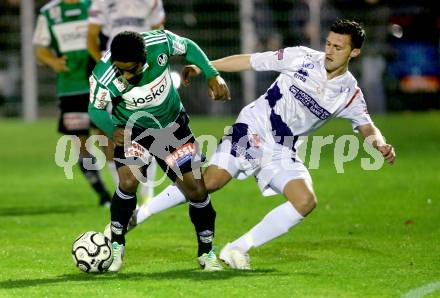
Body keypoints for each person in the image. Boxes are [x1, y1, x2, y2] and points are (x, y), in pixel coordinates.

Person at [129, 19, 397, 269]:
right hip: (253, 128)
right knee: (210, 183)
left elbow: (366, 126)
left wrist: (380, 144)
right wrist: (205, 67)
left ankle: (236, 248)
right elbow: (249, 61)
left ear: (354, 53)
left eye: (338, 47)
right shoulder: (301, 57)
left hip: (282, 149)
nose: (329, 51)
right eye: (328, 43)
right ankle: (139, 215)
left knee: (305, 201)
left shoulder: (349, 93)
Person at [89, 30, 230, 272]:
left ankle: (206, 252)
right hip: (133, 130)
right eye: (119, 68)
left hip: (171, 128)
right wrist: (112, 129)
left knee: (196, 189)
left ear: (144, 58)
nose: (124, 74)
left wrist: (211, 74)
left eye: (130, 69)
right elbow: (96, 109)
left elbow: (188, 47)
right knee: (128, 180)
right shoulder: (104, 74)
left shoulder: (159, 42)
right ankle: (116, 245)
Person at [33, 0, 112, 207]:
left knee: (107, 135)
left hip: (99, 82)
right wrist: (54, 62)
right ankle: (102, 192)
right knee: (81, 142)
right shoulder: (50, 13)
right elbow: (40, 50)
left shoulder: (95, 5)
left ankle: (122, 188)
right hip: (71, 88)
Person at [87, 0, 166, 201]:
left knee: (150, 128)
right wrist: (106, 70)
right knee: (110, 131)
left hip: (143, 72)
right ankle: (121, 188)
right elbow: (91, 37)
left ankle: (148, 193)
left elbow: (160, 33)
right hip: (117, 75)